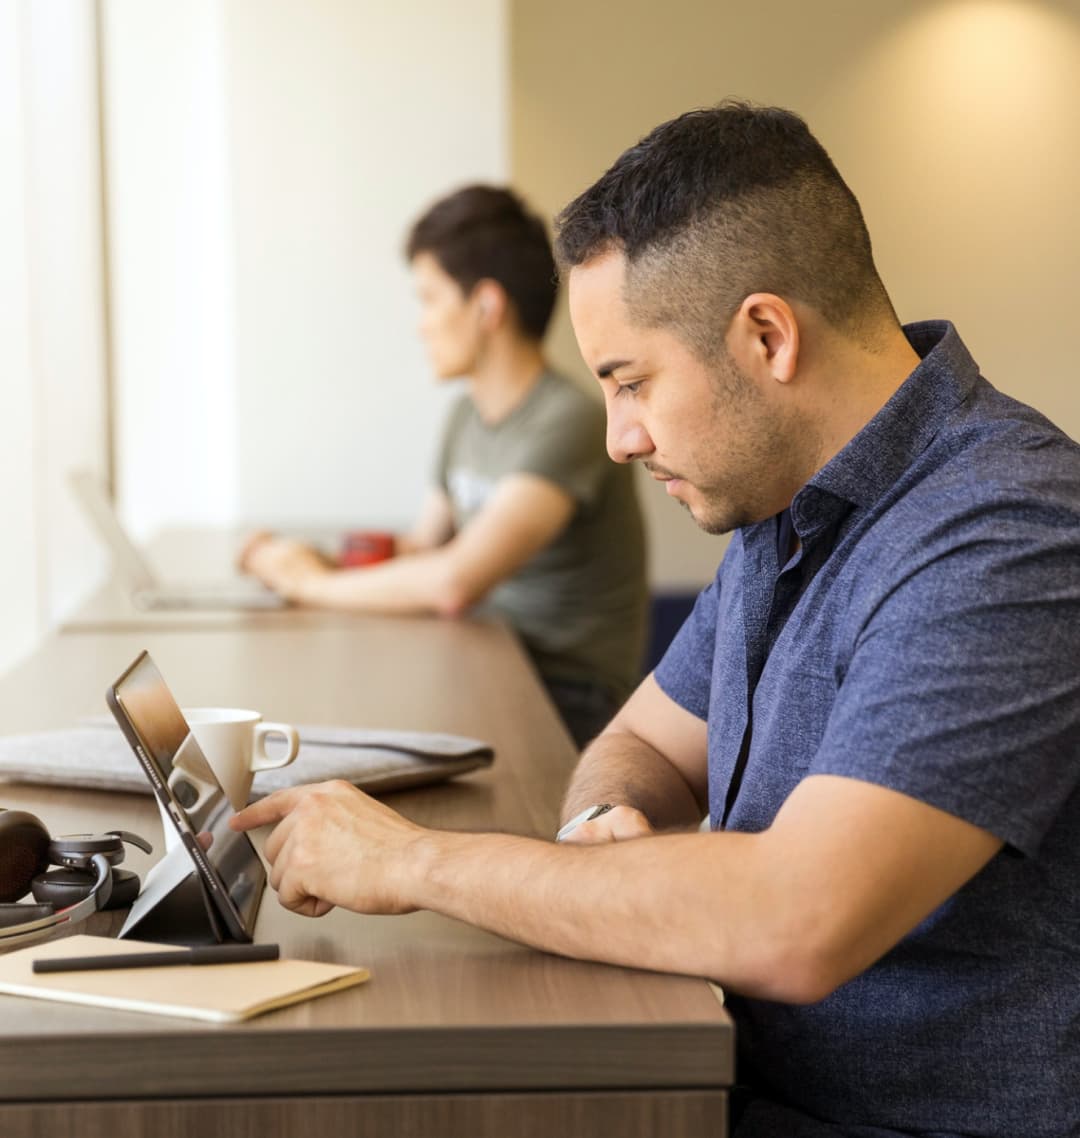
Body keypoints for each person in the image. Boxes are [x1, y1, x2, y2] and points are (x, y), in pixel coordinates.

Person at [232, 103, 1080, 1136]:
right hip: (729, 1070)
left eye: (631, 383)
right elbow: (639, 741)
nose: (619, 438)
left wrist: (409, 861)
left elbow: (798, 917)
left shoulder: (1008, 532)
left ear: (766, 336)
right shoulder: (786, 507)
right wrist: (606, 830)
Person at [242, 185, 647, 748]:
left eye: (429, 299)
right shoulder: (465, 417)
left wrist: (310, 585)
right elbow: (423, 548)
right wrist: (315, 557)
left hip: (563, 695)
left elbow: (454, 581)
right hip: (488, 657)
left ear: (486, 307)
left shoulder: (568, 421)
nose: (421, 324)